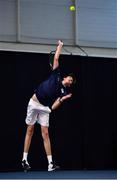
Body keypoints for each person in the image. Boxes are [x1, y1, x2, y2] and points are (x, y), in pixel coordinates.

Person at [22, 40, 76, 172]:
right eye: (70, 79)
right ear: (65, 77)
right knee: (30, 130)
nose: (70, 81)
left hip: (45, 108)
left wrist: (63, 99)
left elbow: (54, 106)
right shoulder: (56, 73)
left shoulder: (64, 91)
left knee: (45, 134)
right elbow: (56, 57)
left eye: (72, 82)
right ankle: (24, 159)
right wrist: (60, 46)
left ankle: (50, 164)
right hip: (34, 102)